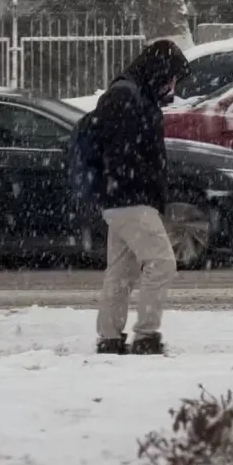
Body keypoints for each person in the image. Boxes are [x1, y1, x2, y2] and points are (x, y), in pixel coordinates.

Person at [91, 39, 189, 355]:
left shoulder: (133, 92)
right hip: (129, 197)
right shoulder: (126, 96)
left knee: (122, 270)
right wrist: (140, 182)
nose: (172, 84)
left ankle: (109, 336)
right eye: (171, 76)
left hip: (122, 198)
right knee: (162, 263)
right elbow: (120, 151)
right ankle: (146, 335)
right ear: (159, 71)